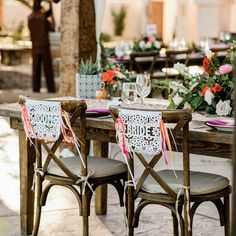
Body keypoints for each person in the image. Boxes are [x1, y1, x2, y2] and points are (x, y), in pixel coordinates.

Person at [28, 0, 56, 93]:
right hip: (44, 46)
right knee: (48, 69)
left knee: (35, 69)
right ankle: (51, 88)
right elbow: (52, 28)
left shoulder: (30, 17)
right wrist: (51, 6)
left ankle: (35, 88)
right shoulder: (43, 17)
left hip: (34, 46)